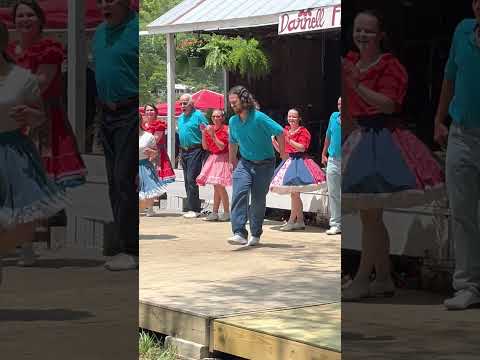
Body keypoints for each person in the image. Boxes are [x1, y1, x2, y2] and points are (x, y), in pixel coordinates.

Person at [341, 10, 445, 300]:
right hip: (361, 137)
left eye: (369, 31)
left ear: (381, 35)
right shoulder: (351, 63)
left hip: (384, 138)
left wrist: (358, 84)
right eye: (358, 30)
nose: (362, 35)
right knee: (370, 216)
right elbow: (349, 108)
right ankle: (383, 276)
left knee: (371, 215)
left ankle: (363, 279)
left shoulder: (390, 66)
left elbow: (388, 104)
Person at [0, 21, 67, 285]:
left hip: (13, 154)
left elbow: (40, 117)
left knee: (16, 224)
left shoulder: (21, 78)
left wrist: (30, 115)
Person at [8, 0, 87, 188]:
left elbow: (39, 84)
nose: (25, 19)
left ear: (40, 20)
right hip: (12, 119)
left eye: (30, 15)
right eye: (20, 15)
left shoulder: (49, 49)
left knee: (44, 185)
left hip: (44, 121)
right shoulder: (9, 51)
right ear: (14, 21)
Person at [434, 0, 480, 310]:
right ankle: (468, 286)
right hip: (462, 133)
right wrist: (439, 119)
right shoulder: (463, 31)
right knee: (463, 214)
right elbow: (450, 75)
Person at [92, 0, 139, 270]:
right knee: (113, 180)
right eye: (101, 1)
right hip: (106, 115)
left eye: (110, 0)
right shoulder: (99, 32)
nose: (104, 5)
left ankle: (131, 249)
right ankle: (125, 244)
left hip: (131, 111)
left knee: (123, 177)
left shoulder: (136, 29)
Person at [227, 86, 286, 246]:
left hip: (265, 164)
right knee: (239, 193)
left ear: (244, 100)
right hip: (244, 163)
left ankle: (256, 233)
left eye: (235, 102)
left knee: (258, 200)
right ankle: (239, 232)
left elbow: (280, 131)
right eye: (230, 103)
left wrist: (283, 153)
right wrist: (232, 161)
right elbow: (232, 142)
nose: (232, 105)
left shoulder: (259, 117)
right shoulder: (233, 121)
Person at [270, 108, 326, 231]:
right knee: (294, 194)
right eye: (290, 116)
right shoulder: (285, 131)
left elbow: (302, 148)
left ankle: (291, 220)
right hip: (288, 161)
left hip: (299, 162)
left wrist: (290, 140)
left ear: (299, 118)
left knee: (295, 193)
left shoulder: (304, 131)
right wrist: (274, 142)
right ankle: (299, 220)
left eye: (294, 117)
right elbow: (282, 151)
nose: (291, 119)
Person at [177, 93, 208, 218]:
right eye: (181, 103)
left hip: (196, 150)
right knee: (186, 179)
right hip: (183, 151)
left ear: (192, 103)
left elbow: (206, 131)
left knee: (191, 179)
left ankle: (195, 209)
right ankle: (191, 207)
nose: (182, 106)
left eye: (185, 103)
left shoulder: (199, 115)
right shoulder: (180, 118)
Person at [196, 109, 231, 222]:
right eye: (214, 117)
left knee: (220, 187)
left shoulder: (226, 129)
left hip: (222, 158)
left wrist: (213, 135)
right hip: (213, 158)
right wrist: (203, 133)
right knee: (216, 187)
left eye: (218, 116)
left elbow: (221, 147)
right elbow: (205, 147)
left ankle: (226, 212)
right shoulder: (209, 129)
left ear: (223, 118)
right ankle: (215, 212)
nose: (216, 118)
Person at [142, 104, 175, 216]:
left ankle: (151, 206)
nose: (149, 112)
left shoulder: (159, 124)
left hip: (156, 154)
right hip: (142, 153)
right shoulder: (143, 124)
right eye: (147, 110)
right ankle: (146, 205)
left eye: (152, 110)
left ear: (156, 112)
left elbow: (155, 140)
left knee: (153, 179)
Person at [322, 97, 342, 235]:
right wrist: (323, 153)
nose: (340, 106)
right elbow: (328, 135)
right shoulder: (333, 116)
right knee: (333, 193)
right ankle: (336, 224)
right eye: (339, 103)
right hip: (333, 159)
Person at [139, 116, 166, 211]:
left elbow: (155, 152)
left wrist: (152, 152)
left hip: (144, 164)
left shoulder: (148, 136)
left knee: (148, 187)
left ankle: (150, 208)